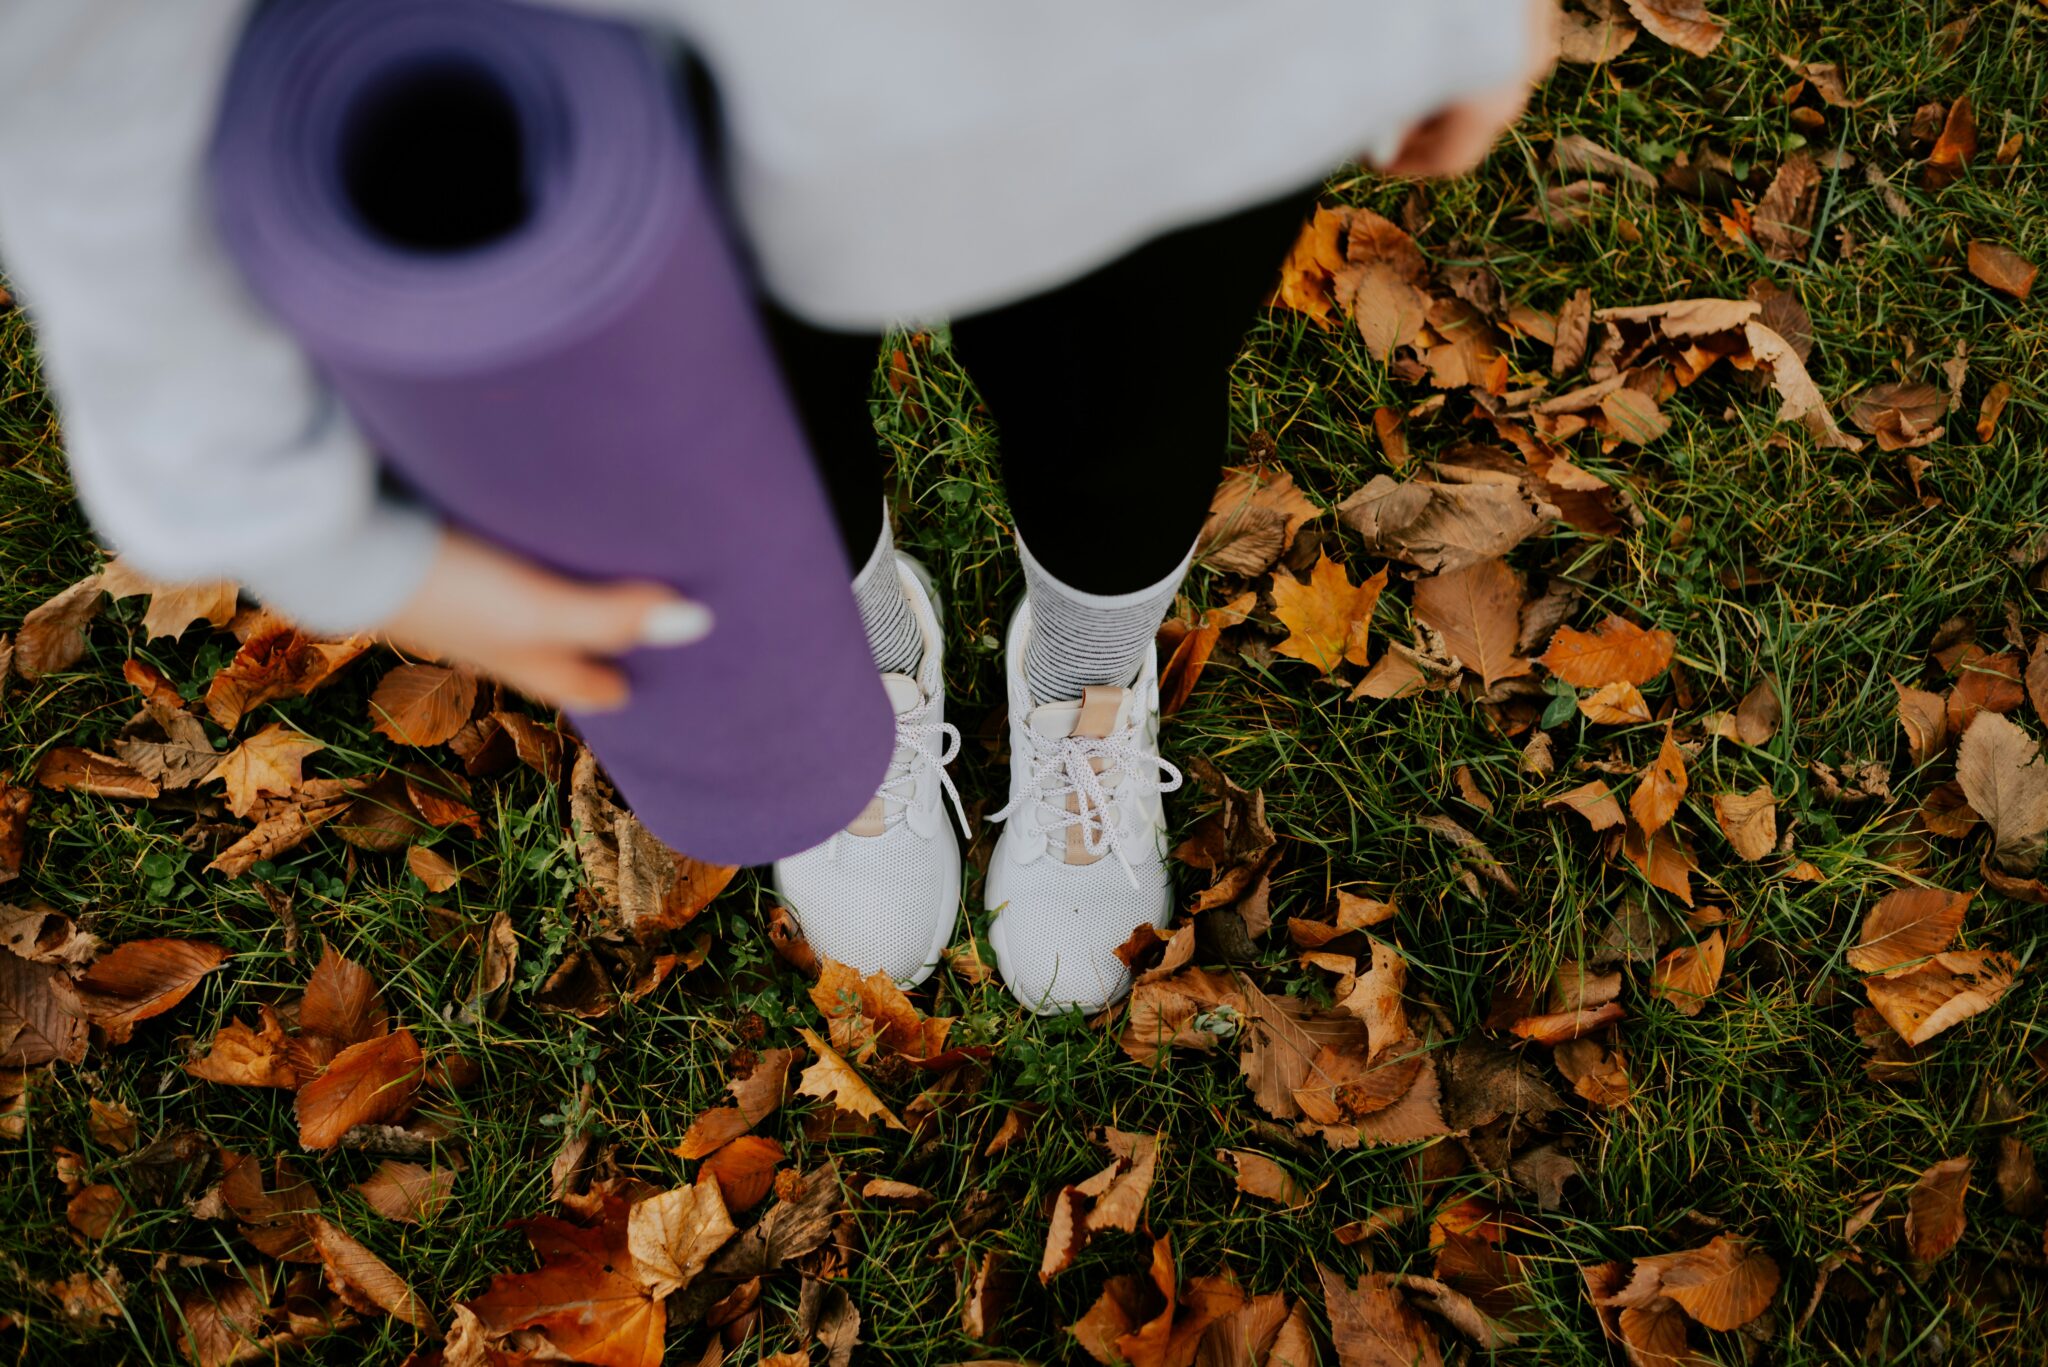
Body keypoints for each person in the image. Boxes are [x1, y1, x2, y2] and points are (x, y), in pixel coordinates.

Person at [0, 0, 1557, 1014]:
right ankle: (856, 650)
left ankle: (1085, 674)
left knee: (1128, 399)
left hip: (1178, 59)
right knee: (751, 439)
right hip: (649, 85)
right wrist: (268, 491)